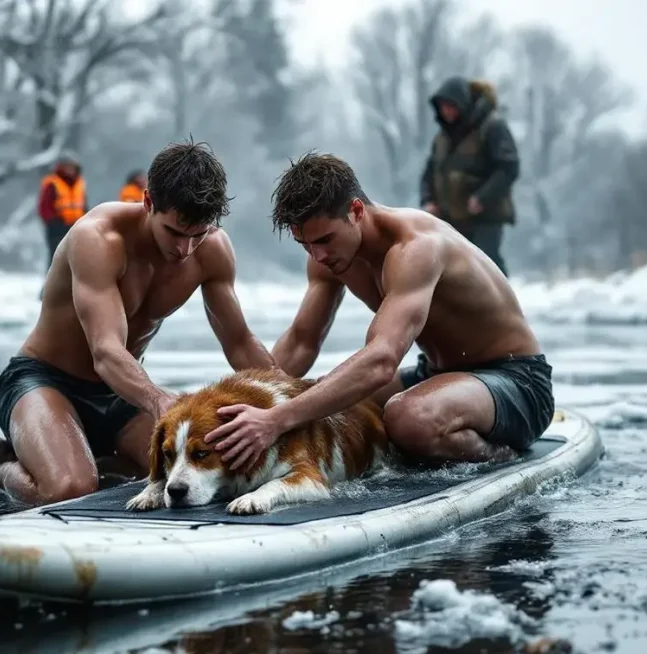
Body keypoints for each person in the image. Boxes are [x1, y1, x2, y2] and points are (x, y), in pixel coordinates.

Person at [0, 140, 277, 504]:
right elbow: (105, 351)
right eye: (175, 233)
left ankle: (93, 459)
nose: (185, 249)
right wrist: (157, 400)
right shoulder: (99, 239)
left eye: (197, 235)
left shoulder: (213, 250)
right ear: (149, 202)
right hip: (46, 381)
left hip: (120, 394)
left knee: (196, 471)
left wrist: (292, 407)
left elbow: (239, 342)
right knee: (69, 489)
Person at [205, 152, 553, 471]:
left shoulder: (416, 248)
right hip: (434, 375)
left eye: (325, 239)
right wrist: (251, 403)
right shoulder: (327, 258)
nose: (317, 256)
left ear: (356, 211)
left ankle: (501, 457)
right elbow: (301, 343)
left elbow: (381, 361)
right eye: (305, 245)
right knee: (326, 403)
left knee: (408, 417)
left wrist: (278, 420)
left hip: (517, 381)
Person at [419, 77, 519, 277]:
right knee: (456, 273)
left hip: (485, 216)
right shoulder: (442, 137)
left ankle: (504, 308)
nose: (446, 111)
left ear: (462, 103)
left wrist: (483, 198)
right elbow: (430, 172)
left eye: (451, 105)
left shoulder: (492, 127)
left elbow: (508, 167)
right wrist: (428, 200)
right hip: (451, 217)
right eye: (442, 107)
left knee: (488, 267)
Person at [37, 152, 87, 271]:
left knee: (76, 259)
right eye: (67, 166)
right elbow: (45, 206)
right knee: (55, 259)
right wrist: (53, 223)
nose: (70, 169)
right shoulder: (52, 182)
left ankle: (70, 287)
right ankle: (49, 288)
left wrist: (86, 220)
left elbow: (84, 204)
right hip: (57, 228)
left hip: (76, 226)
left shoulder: (80, 183)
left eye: (72, 166)